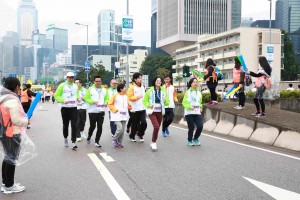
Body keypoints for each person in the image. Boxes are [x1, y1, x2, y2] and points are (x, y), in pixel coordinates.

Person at [0, 77, 30, 194]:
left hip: (3, 132)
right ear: (17, 87)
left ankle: (5, 183)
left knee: (7, 157)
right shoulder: (12, 100)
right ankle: (9, 186)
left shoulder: (2, 97)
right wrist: (26, 121)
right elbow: (16, 120)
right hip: (12, 133)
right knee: (11, 159)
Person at [54, 72, 79, 150]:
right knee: (66, 125)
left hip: (74, 107)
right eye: (69, 77)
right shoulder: (62, 85)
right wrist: (62, 100)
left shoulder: (75, 86)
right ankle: (65, 138)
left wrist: (78, 98)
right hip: (65, 108)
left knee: (74, 125)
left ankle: (73, 141)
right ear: (66, 77)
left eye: (72, 77)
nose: (71, 79)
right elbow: (56, 95)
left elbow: (77, 94)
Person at [143, 77, 169, 150]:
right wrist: (149, 105)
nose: (159, 82)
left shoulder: (164, 91)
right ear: (154, 82)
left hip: (160, 111)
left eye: (160, 81)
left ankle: (153, 141)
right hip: (152, 111)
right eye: (157, 81)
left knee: (157, 128)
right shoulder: (149, 91)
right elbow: (145, 101)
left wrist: (165, 101)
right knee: (156, 126)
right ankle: (154, 142)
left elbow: (167, 102)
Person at [84, 75, 108, 147]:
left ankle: (97, 141)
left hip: (101, 111)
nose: (98, 82)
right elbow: (86, 98)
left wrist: (106, 102)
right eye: (97, 81)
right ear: (94, 82)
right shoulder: (90, 89)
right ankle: (89, 137)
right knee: (92, 126)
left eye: (99, 81)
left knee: (100, 127)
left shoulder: (104, 89)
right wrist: (92, 102)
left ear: (101, 82)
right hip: (92, 111)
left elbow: (107, 98)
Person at [182, 78, 203, 146]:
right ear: (191, 84)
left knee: (200, 126)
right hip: (189, 113)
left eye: (196, 82)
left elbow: (200, 102)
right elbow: (184, 103)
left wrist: (201, 107)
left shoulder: (199, 93)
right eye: (194, 82)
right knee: (191, 127)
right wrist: (189, 107)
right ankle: (189, 140)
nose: (195, 83)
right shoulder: (187, 92)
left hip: (197, 112)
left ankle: (195, 138)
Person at [127, 72, 147, 142]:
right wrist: (137, 97)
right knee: (135, 124)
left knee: (144, 123)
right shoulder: (132, 87)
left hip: (143, 108)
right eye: (139, 78)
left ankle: (140, 134)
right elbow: (129, 97)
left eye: (141, 78)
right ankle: (132, 136)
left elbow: (145, 96)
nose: (140, 79)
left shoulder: (143, 86)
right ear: (135, 79)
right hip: (134, 109)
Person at [108, 84, 130, 148]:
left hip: (124, 115)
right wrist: (115, 110)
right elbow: (109, 104)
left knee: (122, 130)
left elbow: (128, 104)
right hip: (116, 115)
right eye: (124, 87)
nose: (126, 88)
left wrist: (129, 107)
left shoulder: (126, 96)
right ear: (121, 89)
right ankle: (114, 139)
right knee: (120, 129)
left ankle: (119, 143)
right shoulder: (115, 95)